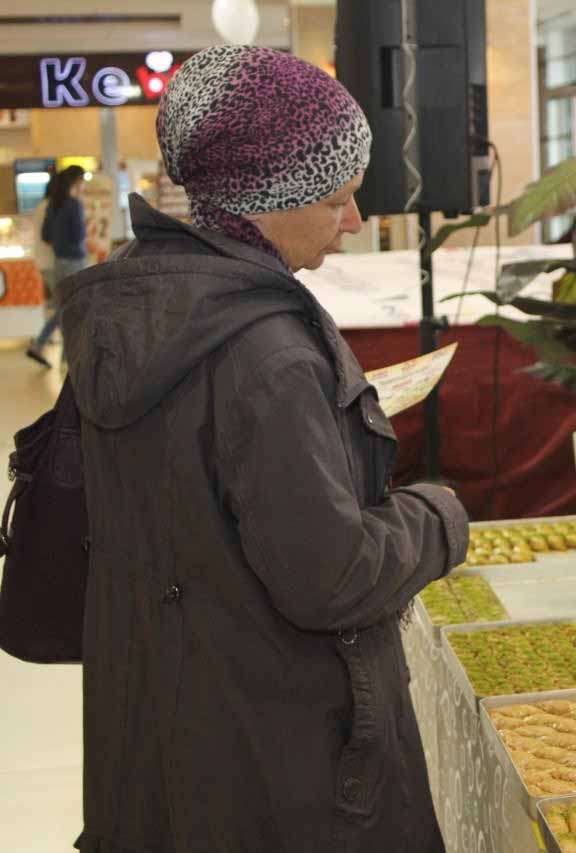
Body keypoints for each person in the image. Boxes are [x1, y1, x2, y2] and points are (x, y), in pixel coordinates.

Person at [57, 46, 468, 852]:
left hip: (168, 736)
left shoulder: (138, 304)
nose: (353, 221)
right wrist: (439, 517)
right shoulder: (265, 353)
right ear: (260, 201)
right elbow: (331, 576)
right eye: (336, 198)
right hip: (285, 764)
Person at [28, 164, 87, 367]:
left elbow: (46, 235)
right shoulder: (74, 205)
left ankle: (65, 355)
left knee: (65, 306)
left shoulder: (53, 205)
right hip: (75, 261)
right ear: (77, 182)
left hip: (59, 261)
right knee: (70, 308)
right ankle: (43, 344)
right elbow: (79, 235)